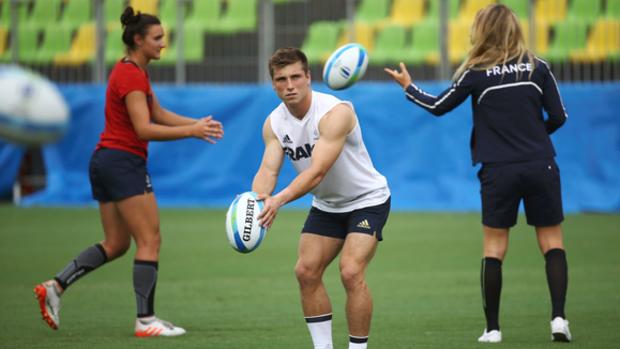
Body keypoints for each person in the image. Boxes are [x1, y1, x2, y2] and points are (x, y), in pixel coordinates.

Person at [385, 4, 570, 344]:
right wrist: (534, 138)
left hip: (499, 170)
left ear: (481, 32)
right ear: (515, 30)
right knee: (551, 243)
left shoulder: (476, 73)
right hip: (540, 164)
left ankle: (493, 329)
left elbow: (438, 106)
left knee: (494, 248)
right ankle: (558, 319)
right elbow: (560, 117)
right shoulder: (537, 67)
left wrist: (408, 86)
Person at [34, 7, 224, 337]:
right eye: (158, 38)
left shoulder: (130, 69)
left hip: (106, 161)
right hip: (123, 162)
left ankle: (56, 286)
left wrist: (195, 124)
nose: (163, 43)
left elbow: (157, 112)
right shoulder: (132, 74)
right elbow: (143, 128)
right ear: (138, 40)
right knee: (150, 240)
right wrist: (190, 132)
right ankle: (146, 321)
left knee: (116, 243)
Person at [253, 47, 390, 349]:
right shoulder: (274, 123)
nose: (289, 85)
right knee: (305, 271)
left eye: (295, 77)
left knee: (351, 271)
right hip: (328, 205)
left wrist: (279, 200)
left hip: (367, 199)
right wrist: (257, 201)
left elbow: (317, 173)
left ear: (308, 77)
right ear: (273, 84)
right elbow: (268, 169)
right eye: (281, 79)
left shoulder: (335, 113)